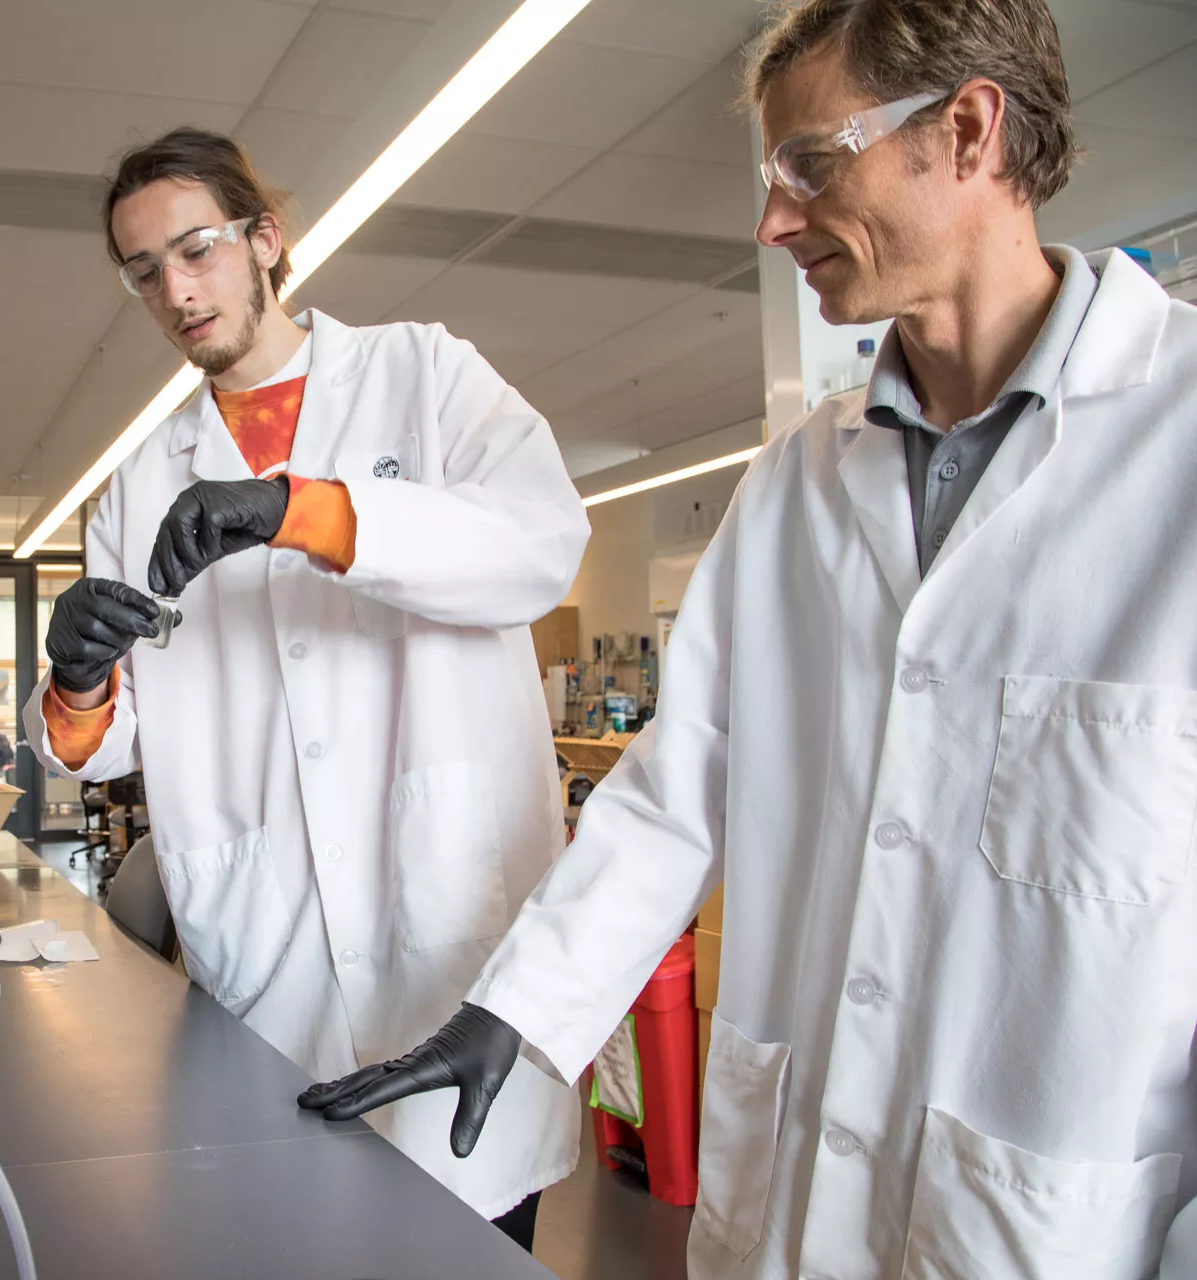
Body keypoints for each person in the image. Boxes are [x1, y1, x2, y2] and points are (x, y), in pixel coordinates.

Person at [301, 1, 1197, 1276]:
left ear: (970, 129)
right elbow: (677, 792)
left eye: (809, 165)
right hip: (785, 1216)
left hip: (1045, 1224)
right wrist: (518, 1009)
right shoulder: (793, 488)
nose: (773, 222)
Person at [21, 127, 592, 1247]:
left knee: (471, 1243)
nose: (176, 291)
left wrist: (306, 512)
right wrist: (79, 679)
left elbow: (540, 545)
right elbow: (107, 737)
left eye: (196, 251)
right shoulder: (137, 489)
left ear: (264, 238)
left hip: (452, 944)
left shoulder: (423, 376)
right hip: (267, 968)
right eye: (144, 272)